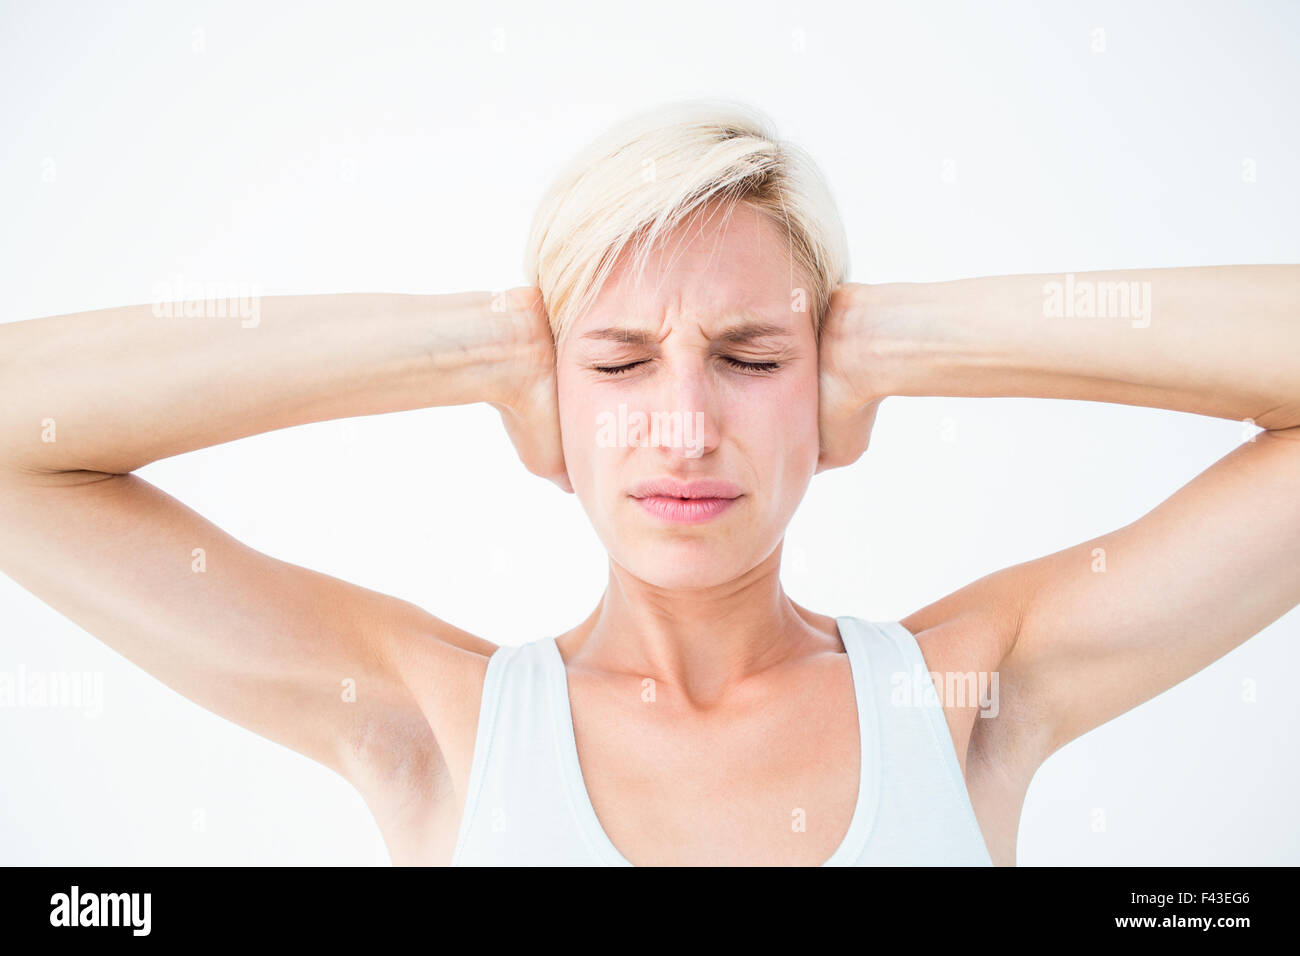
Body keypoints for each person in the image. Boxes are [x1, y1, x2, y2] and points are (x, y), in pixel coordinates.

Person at [1, 100, 1296, 866]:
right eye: (617, 362)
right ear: (551, 392)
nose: (683, 425)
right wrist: (475, 347)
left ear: (823, 390)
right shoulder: (435, 721)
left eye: (751, 355)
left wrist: (907, 337)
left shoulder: (971, 693)